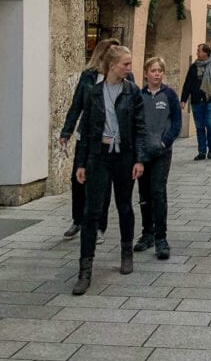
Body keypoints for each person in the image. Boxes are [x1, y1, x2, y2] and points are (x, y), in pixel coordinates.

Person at [72, 45, 146, 295]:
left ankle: (126, 252)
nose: (129, 68)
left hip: (124, 157)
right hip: (98, 156)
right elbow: (86, 130)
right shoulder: (93, 92)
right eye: (125, 64)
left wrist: (139, 159)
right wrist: (81, 163)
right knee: (91, 212)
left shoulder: (132, 91)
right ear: (112, 65)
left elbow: (139, 128)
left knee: (124, 206)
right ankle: (85, 270)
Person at [59, 38, 118, 242]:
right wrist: (66, 131)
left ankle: (99, 227)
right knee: (78, 179)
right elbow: (77, 105)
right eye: (111, 53)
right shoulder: (88, 76)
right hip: (86, 135)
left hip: (109, 138)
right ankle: (78, 220)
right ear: (101, 54)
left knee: (104, 182)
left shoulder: (122, 78)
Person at [134, 57, 182, 261]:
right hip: (142, 153)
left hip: (161, 152)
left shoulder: (169, 94)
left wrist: (165, 141)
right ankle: (147, 233)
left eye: (159, 71)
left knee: (158, 192)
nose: (156, 74)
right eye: (153, 70)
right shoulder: (138, 96)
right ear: (146, 73)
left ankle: (161, 238)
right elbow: (134, 122)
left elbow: (176, 122)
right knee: (144, 193)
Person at [180, 44, 211, 160]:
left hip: (210, 100)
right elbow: (188, 83)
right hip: (197, 100)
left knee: (210, 123)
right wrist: (183, 99)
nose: (197, 53)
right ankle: (202, 151)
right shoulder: (193, 67)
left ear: (206, 53)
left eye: (199, 51)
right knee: (199, 126)